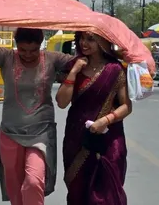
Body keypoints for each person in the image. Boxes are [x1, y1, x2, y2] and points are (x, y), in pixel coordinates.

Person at [0, 23, 74, 205]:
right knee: (15, 188)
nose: (27, 54)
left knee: (34, 182)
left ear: (41, 44)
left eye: (33, 50)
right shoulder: (7, 58)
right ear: (15, 44)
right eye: (23, 49)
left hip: (41, 132)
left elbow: (82, 60)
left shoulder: (51, 59)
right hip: (11, 132)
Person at [55, 31, 132, 205]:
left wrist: (105, 120)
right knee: (78, 190)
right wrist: (74, 72)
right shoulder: (74, 66)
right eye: (81, 38)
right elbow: (61, 102)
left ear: (103, 42)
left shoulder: (115, 69)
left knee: (107, 192)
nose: (84, 43)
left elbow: (126, 106)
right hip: (78, 137)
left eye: (90, 39)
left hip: (109, 138)